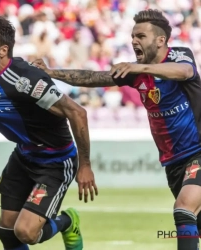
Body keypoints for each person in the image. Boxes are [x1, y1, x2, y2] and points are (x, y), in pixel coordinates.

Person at [33, 9, 201, 250]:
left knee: (184, 209)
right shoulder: (135, 72)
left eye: (141, 36)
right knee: (192, 223)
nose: (134, 41)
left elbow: (185, 72)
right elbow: (92, 77)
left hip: (198, 151)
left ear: (161, 40)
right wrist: (51, 73)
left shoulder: (179, 55)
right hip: (174, 162)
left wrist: (138, 69)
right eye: (133, 36)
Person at [0, 12, 98, 250]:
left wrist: (85, 164)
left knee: (25, 231)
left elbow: (77, 113)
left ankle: (67, 221)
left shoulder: (25, 79)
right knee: (6, 230)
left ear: (3, 50)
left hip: (55, 161)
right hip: (24, 157)